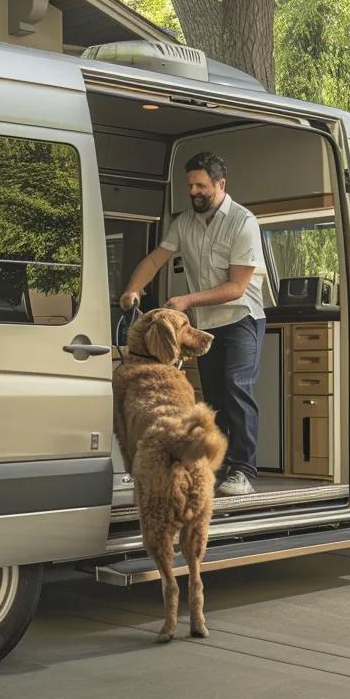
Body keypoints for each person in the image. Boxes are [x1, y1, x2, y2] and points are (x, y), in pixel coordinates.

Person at [119, 151, 266, 497]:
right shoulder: (184, 222)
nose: (194, 191)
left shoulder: (243, 222)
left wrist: (186, 301)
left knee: (236, 387)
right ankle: (219, 466)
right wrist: (133, 289)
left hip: (242, 318)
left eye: (201, 185)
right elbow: (156, 259)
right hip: (207, 323)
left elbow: (237, 287)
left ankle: (244, 470)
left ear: (220, 184)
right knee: (213, 396)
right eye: (190, 186)